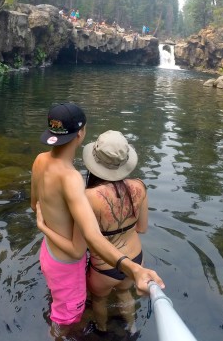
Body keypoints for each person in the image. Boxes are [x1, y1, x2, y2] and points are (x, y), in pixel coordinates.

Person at [31, 103, 163, 328]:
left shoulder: (40, 160)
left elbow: (35, 205)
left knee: (90, 302)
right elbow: (85, 243)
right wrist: (135, 269)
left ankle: (101, 330)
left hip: (56, 255)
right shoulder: (74, 179)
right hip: (113, 258)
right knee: (70, 320)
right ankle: (129, 328)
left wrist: (44, 227)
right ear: (81, 133)